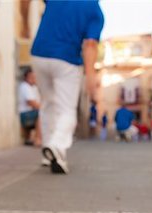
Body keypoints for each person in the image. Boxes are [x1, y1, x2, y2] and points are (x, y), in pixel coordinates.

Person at [31, 0, 104, 174]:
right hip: (66, 59)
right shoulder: (93, 8)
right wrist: (90, 76)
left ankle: (47, 153)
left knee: (48, 103)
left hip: (39, 53)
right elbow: (90, 44)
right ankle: (56, 146)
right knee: (66, 109)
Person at [18, 67, 41, 146]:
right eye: (31, 77)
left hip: (31, 113)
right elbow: (32, 103)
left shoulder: (34, 87)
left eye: (34, 77)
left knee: (45, 113)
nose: (33, 79)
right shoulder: (24, 86)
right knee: (42, 113)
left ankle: (31, 139)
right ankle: (37, 139)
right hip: (25, 115)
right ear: (26, 78)